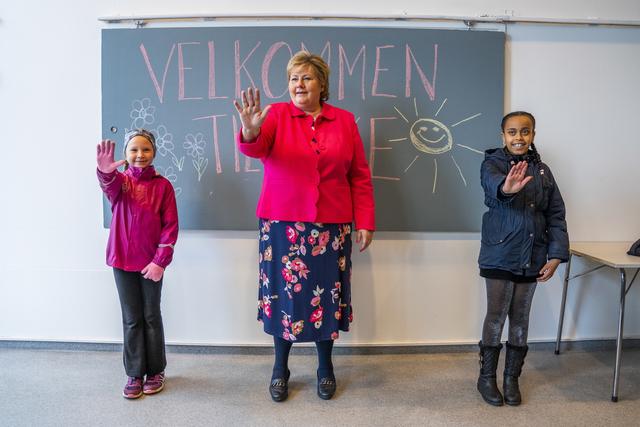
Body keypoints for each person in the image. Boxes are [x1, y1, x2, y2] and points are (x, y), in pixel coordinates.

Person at [233, 51, 375, 402]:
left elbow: (359, 175)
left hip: (331, 227)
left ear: (322, 84)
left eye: (306, 77)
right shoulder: (276, 115)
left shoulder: (344, 120)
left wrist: (366, 221)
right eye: (294, 78)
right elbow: (257, 148)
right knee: (284, 298)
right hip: (283, 226)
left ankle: (325, 367)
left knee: (326, 298)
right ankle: (280, 368)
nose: (299, 83)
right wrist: (249, 131)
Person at [477, 111, 569, 406]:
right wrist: (507, 188)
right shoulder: (491, 163)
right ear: (503, 136)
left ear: (533, 135)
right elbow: (495, 188)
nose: (519, 137)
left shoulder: (543, 171)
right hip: (499, 254)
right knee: (496, 316)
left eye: (525, 131)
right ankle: (487, 378)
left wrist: (556, 255)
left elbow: (556, 215)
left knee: (520, 319)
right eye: (512, 132)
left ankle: (511, 379)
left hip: (533, 255)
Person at [96, 129, 179, 399]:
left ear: (153, 152)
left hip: (151, 264)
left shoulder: (163, 186)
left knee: (151, 316)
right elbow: (108, 185)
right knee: (132, 319)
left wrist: (160, 262)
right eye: (133, 150)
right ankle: (134, 373)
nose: (139, 155)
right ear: (125, 154)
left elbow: (170, 227)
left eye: (145, 149)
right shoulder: (120, 183)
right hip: (121, 260)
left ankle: (156, 370)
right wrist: (105, 173)